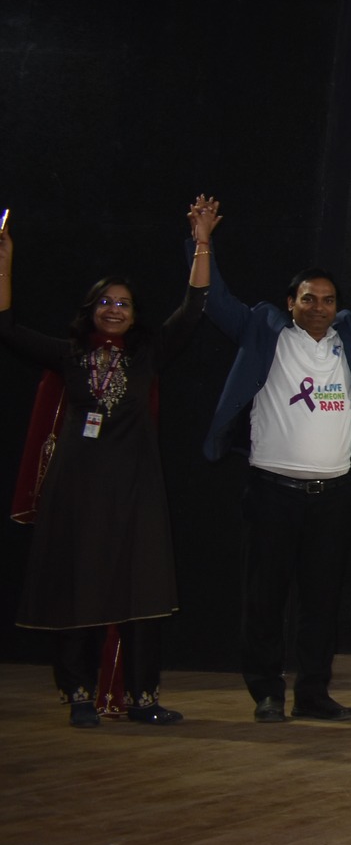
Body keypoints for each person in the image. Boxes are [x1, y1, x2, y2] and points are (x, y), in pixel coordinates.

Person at [198, 201, 351, 724]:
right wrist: (202, 240)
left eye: (327, 300)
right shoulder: (264, 332)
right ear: (291, 302)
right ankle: (266, 692)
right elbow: (214, 300)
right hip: (271, 493)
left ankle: (314, 692)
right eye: (309, 299)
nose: (319, 307)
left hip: (333, 497)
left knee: (322, 603)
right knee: (264, 599)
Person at [1, 204, 209, 727]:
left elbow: (193, 304)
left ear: (136, 314)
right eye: (106, 302)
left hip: (136, 491)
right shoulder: (68, 354)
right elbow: (4, 326)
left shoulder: (148, 355)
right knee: (78, 589)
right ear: (92, 309)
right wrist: (4, 264)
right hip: (77, 491)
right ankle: (75, 694)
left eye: (124, 303)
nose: (115, 309)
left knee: (142, 591)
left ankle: (143, 699)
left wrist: (202, 240)